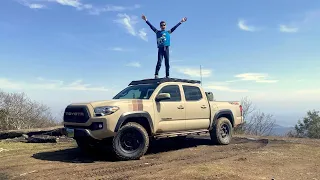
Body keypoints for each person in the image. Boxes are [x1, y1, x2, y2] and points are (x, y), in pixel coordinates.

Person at [141, 14, 187, 79]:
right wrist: (146, 20)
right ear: (160, 26)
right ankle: (156, 74)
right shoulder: (158, 32)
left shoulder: (168, 32)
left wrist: (181, 21)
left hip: (166, 48)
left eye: (164, 25)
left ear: (165, 26)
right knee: (159, 61)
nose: (163, 26)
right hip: (160, 48)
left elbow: (174, 27)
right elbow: (151, 27)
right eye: (162, 25)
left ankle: (167, 75)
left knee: (167, 62)